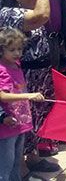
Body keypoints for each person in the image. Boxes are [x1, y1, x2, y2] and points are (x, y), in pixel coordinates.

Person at [0, 0, 62, 170]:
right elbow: (41, 16)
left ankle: (32, 157)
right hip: (22, 75)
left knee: (35, 117)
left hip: (39, 74)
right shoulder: (8, 12)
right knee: (22, 118)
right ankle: (20, 166)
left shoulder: (24, 9)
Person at [0, 28, 45, 181]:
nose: (17, 53)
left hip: (19, 121)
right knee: (5, 165)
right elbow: (2, 96)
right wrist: (29, 95)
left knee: (16, 162)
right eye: (12, 49)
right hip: (7, 124)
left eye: (19, 48)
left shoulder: (16, 65)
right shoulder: (2, 70)